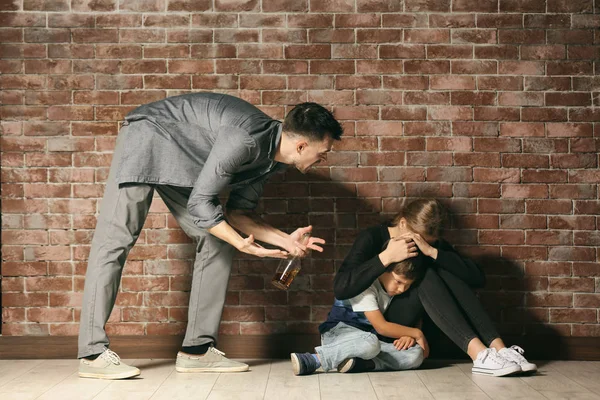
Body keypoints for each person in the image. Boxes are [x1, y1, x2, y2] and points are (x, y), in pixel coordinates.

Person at [77, 93, 343, 379]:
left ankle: (197, 350)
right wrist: (241, 243)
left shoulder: (273, 161)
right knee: (115, 242)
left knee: (217, 241)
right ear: (302, 145)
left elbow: (239, 214)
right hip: (149, 137)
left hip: (183, 159)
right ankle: (92, 354)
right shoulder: (246, 139)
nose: (324, 157)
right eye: (323, 151)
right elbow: (202, 204)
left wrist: (284, 240)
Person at [324, 198, 537, 376]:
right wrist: (386, 257)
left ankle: (498, 349)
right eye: (419, 239)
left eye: (427, 242)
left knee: (440, 269)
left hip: (410, 323)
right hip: (376, 322)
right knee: (427, 275)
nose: (419, 246)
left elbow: (477, 278)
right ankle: (478, 354)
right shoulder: (372, 238)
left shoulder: (429, 245)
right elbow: (342, 288)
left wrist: (432, 252)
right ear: (404, 224)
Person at [290, 253, 427, 375]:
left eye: (407, 285)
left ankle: (359, 364)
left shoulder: (393, 291)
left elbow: (423, 351)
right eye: (398, 281)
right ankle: (314, 359)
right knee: (370, 343)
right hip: (339, 334)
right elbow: (381, 327)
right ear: (384, 269)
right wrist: (417, 333)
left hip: (369, 340)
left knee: (415, 354)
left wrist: (407, 336)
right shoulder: (365, 284)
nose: (402, 289)